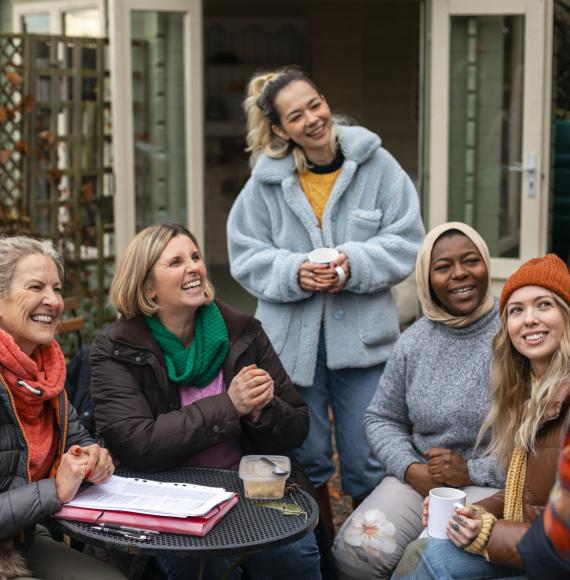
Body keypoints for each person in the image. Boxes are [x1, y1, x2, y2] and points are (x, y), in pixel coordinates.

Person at [226, 66, 425, 524]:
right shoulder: (265, 181)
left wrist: (352, 264)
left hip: (365, 344)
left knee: (370, 454)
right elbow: (245, 254)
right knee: (305, 453)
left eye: (315, 104)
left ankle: (369, 551)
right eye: (296, 116)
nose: (313, 119)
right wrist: (294, 271)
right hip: (291, 348)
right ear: (280, 129)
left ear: (325, 100)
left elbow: (409, 240)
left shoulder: (378, 165)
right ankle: (320, 551)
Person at [89, 222, 322, 580]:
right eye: (176, 262)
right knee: (205, 569)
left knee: (293, 558)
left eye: (195, 257)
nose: (194, 267)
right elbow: (138, 443)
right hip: (170, 499)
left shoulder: (243, 331)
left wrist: (263, 410)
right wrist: (230, 406)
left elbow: (295, 429)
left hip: (252, 489)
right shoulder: (117, 348)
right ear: (148, 288)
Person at [332, 222, 504, 578]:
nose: (460, 274)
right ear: (426, 277)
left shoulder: (512, 331)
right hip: (422, 479)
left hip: (492, 484)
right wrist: (413, 470)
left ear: (487, 264)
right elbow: (381, 417)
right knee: (356, 550)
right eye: (443, 267)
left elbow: (536, 438)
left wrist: (469, 470)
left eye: (470, 261)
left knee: (425, 560)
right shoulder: (414, 341)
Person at [392, 253, 570, 579]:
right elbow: (523, 496)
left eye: (544, 305)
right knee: (424, 552)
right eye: (516, 310)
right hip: (529, 544)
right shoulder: (530, 395)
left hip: (551, 562)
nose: (529, 319)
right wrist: (471, 514)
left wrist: (487, 533)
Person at [0, 236, 123, 580]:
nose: (52, 301)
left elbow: (78, 445)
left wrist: (94, 459)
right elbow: (57, 486)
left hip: (22, 537)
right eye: (35, 286)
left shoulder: (45, 376)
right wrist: (55, 489)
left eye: (56, 288)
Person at [517, 422, 570, 579]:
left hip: (544, 557)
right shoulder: (538, 416)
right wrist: (478, 510)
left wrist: (487, 533)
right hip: (537, 550)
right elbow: (521, 488)